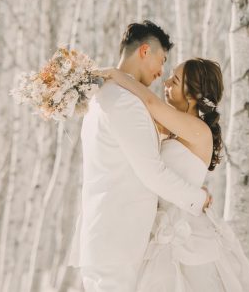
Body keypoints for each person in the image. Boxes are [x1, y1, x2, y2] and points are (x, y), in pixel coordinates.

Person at [68, 21, 211, 292]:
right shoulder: (124, 102)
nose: (162, 72)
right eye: (163, 59)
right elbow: (152, 173)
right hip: (117, 241)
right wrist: (198, 198)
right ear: (145, 51)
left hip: (109, 238)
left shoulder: (102, 97)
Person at [99, 56, 249, 291]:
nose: (166, 82)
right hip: (160, 225)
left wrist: (117, 74)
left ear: (193, 94)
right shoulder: (175, 129)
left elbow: (151, 103)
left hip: (186, 233)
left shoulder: (198, 129)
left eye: (174, 80)